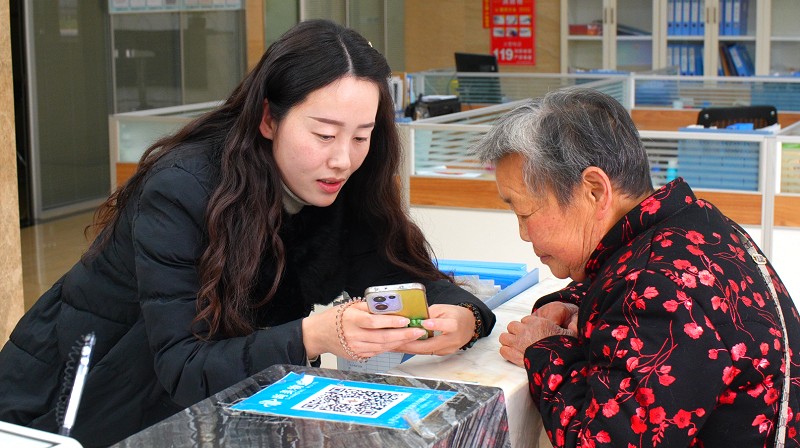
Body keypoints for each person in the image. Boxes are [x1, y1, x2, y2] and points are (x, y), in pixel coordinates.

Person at [0, 19, 495, 447]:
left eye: (361, 137)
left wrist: (466, 318)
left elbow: (406, 274)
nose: (343, 159)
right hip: (80, 399)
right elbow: (184, 367)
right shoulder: (182, 190)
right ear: (268, 119)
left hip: (192, 404)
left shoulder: (338, 187)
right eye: (324, 135)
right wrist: (315, 335)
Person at [471, 87, 800, 447]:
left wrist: (546, 350)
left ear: (595, 191)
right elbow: (624, 282)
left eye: (525, 213)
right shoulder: (694, 226)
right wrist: (576, 303)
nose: (523, 233)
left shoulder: (655, 287)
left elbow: (603, 441)